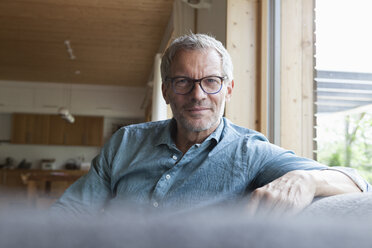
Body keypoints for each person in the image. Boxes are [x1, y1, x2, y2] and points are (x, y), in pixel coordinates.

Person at [52, 33, 369, 216]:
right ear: (165, 91)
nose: (197, 95)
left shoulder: (250, 153)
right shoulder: (126, 142)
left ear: (228, 89)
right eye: (183, 82)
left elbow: (358, 184)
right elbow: (72, 212)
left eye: (211, 81)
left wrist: (306, 180)